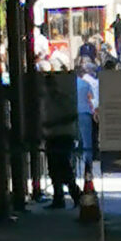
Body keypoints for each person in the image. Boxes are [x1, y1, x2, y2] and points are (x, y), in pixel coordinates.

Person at [41, 66, 78, 207]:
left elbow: (71, 115)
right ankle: (58, 197)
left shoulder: (63, 99)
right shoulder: (46, 101)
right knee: (54, 169)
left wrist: (53, 123)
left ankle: (76, 195)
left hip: (63, 136)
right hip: (51, 136)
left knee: (64, 167)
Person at [75, 60, 99, 175]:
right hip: (85, 113)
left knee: (74, 140)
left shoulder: (70, 84)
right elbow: (90, 98)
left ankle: (73, 165)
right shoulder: (85, 84)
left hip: (72, 114)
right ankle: (88, 167)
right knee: (86, 142)